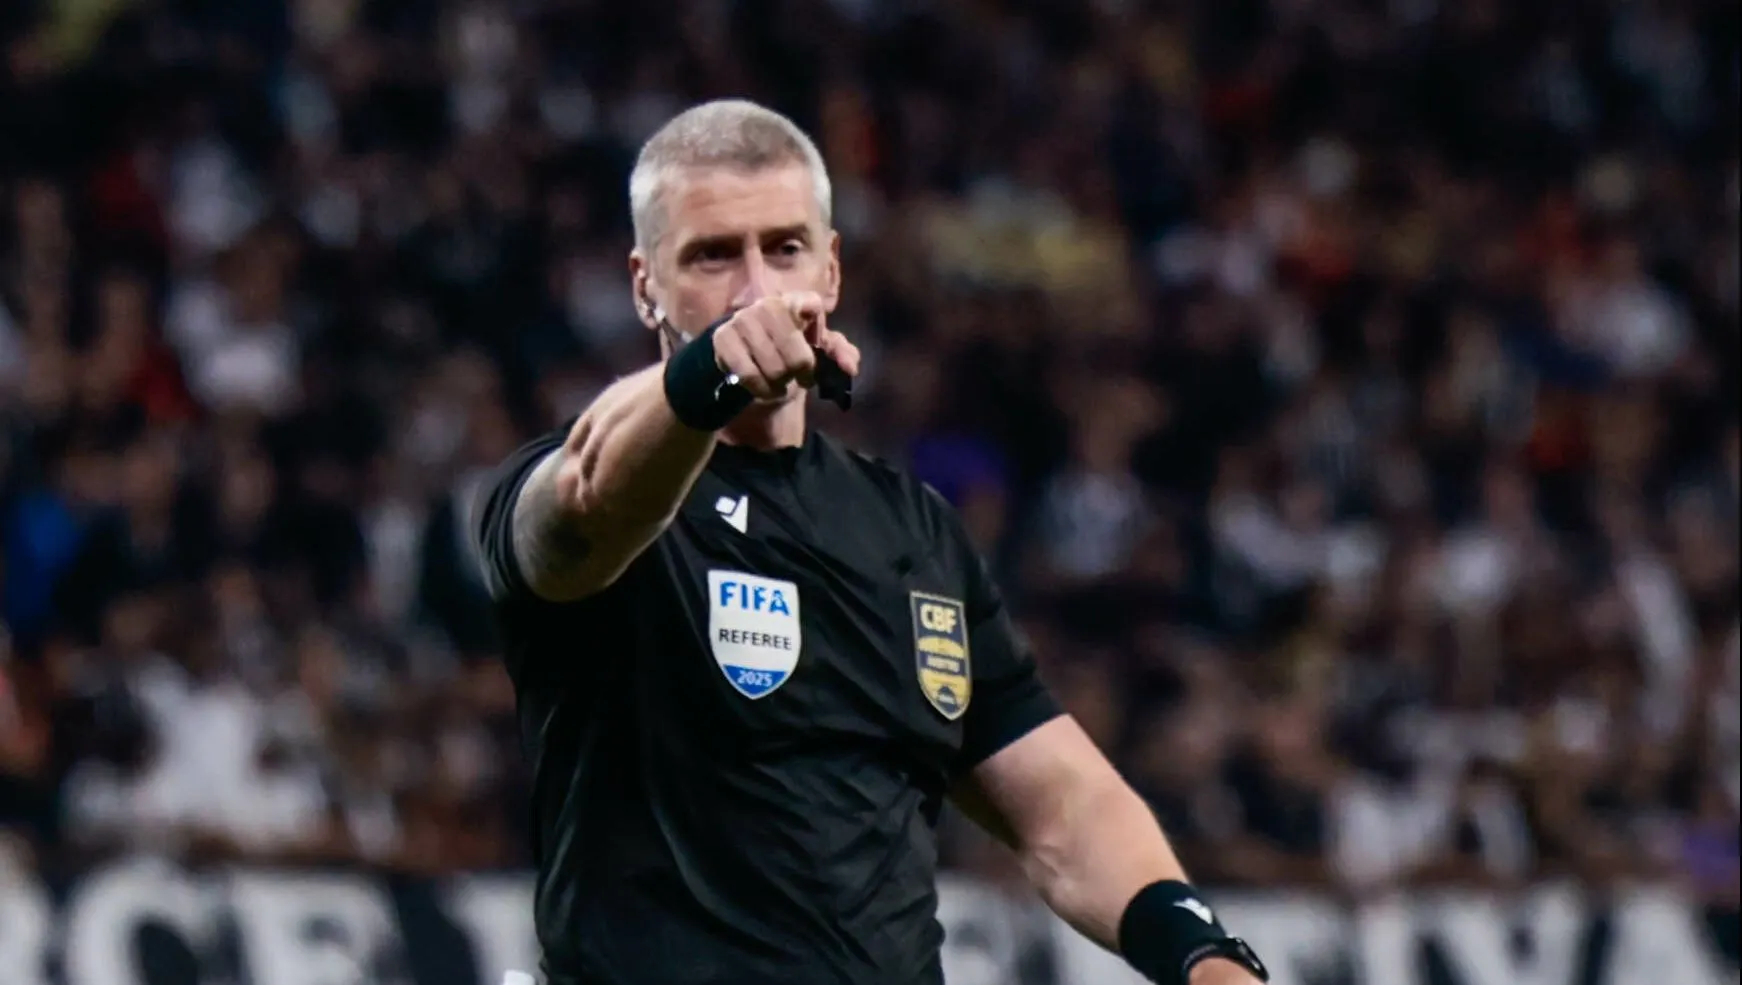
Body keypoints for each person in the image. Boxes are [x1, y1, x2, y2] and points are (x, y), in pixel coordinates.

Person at [473, 99, 1270, 985]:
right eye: (711, 255)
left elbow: (1062, 806)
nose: (755, 291)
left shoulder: (911, 530)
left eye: (783, 249)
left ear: (832, 268)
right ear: (643, 282)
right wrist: (713, 371)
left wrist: (1202, 953)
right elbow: (585, 499)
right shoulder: (578, 494)